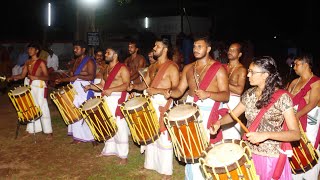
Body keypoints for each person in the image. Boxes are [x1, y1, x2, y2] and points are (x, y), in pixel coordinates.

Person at [215, 56, 300, 180]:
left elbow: (295, 134)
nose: (248, 75)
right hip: (249, 154)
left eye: (252, 72)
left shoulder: (282, 98)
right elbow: (233, 115)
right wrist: (219, 123)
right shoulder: (249, 94)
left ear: (265, 75)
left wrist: (265, 135)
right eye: (249, 71)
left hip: (271, 159)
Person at [164, 36, 229, 179]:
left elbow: (226, 95)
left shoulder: (219, 69)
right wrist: (170, 92)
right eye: (194, 46)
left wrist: (208, 94)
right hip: (191, 111)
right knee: (192, 146)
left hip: (209, 113)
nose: (195, 49)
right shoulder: (188, 68)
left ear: (209, 49)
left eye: (200, 46)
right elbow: (180, 91)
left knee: (206, 149)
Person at [128, 38, 180, 179]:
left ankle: (166, 171)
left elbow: (176, 90)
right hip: (151, 103)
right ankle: (150, 164)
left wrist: (156, 90)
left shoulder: (172, 67)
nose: (154, 47)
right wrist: (134, 86)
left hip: (164, 103)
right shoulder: (152, 67)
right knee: (150, 132)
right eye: (154, 45)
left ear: (165, 49)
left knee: (163, 137)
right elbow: (145, 85)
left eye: (157, 46)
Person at [84, 47, 130, 165]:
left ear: (115, 55)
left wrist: (111, 90)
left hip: (118, 98)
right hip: (107, 98)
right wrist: (90, 86)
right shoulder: (106, 69)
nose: (105, 54)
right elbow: (102, 85)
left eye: (108, 52)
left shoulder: (123, 68)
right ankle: (109, 149)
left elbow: (126, 85)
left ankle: (123, 155)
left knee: (119, 126)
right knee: (107, 123)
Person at [7, 42, 53, 139]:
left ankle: (49, 131)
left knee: (42, 106)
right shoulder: (27, 62)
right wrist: (12, 77)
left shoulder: (41, 62)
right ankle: (31, 130)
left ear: (37, 51)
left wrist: (36, 77)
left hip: (39, 85)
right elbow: (22, 76)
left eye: (32, 49)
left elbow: (47, 77)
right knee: (31, 106)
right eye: (29, 49)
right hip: (29, 85)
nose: (29, 51)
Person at [55, 40, 96, 144]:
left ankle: (92, 136)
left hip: (84, 89)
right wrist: (62, 78)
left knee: (84, 111)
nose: (75, 50)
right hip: (75, 88)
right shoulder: (76, 61)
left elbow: (92, 76)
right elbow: (72, 75)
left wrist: (78, 76)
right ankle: (78, 136)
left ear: (83, 49)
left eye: (77, 48)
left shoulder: (89, 61)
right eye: (74, 48)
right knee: (75, 110)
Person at [287, 54, 320, 180]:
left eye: (296, 64)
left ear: (306, 64)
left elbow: (312, 103)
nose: (294, 67)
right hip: (294, 120)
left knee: (309, 148)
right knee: (293, 150)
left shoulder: (316, 82)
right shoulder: (294, 82)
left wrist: (296, 115)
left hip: (310, 120)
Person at [221, 42, 247, 140]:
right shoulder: (223, 67)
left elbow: (239, 90)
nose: (229, 52)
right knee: (220, 130)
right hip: (221, 99)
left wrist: (223, 82)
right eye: (229, 49)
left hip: (233, 102)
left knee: (231, 132)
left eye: (233, 50)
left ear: (239, 54)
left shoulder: (241, 70)